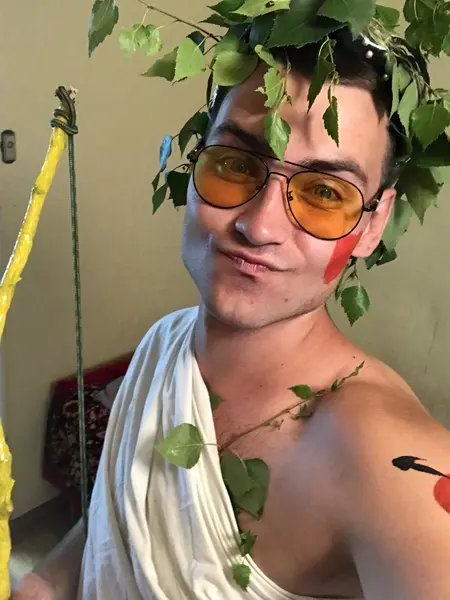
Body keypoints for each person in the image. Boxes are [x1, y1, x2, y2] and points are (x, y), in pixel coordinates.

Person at [12, 35, 450, 600]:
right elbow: (117, 523)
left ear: (372, 224)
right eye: (237, 164)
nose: (259, 226)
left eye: (324, 191)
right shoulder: (164, 342)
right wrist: (43, 583)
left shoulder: (386, 461)